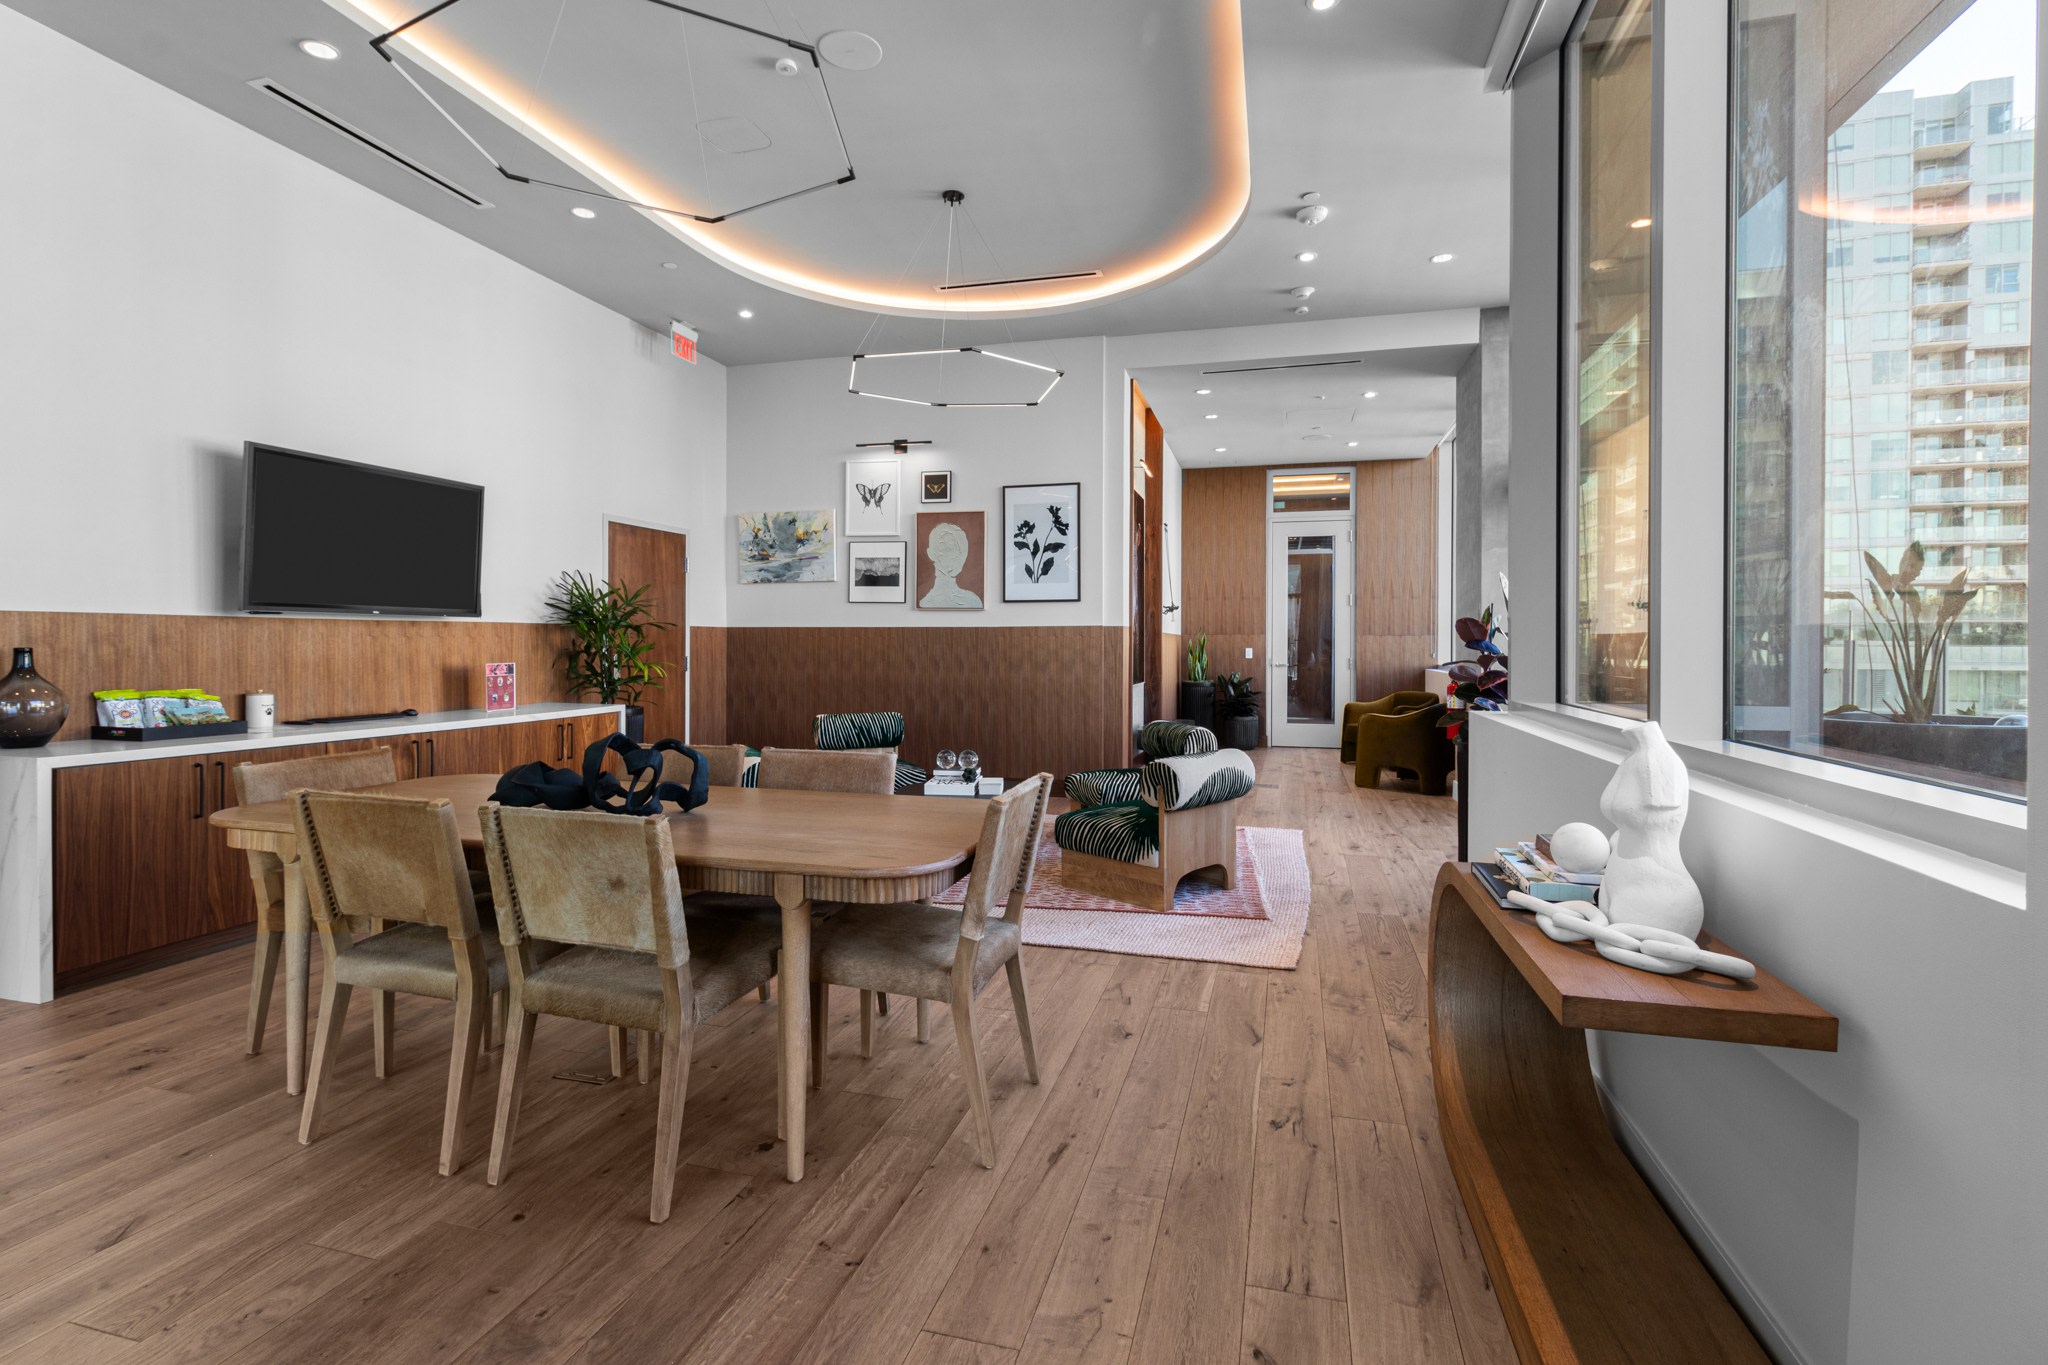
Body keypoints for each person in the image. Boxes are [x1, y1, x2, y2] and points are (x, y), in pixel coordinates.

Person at [919, 521, 981, 608]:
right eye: (942, 544)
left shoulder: (973, 601)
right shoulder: (925, 604)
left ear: (960, 554)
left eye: (953, 545)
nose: (948, 550)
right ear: (931, 553)